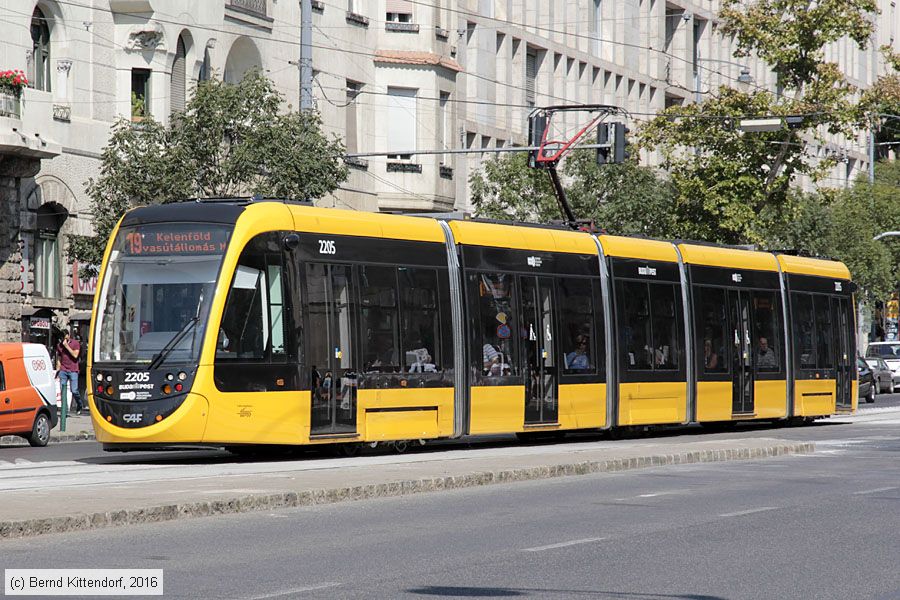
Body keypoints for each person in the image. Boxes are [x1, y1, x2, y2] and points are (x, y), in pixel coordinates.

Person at [56, 329, 84, 415]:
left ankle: (79, 404)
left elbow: (75, 355)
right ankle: (65, 410)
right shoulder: (59, 345)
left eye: (64, 337)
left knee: (74, 390)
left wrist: (67, 346)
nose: (63, 340)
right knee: (63, 390)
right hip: (63, 370)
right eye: (61, 338)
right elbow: (59, 358)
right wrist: (58, 369)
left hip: (73, 370)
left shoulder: (75, 343)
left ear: (68, 335)